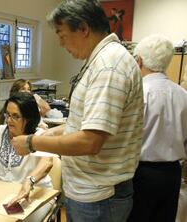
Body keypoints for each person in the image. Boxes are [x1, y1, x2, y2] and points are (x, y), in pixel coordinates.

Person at [11, 1, 143, 221]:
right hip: (91, 191)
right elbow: (87, 124)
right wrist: (55, 132)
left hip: (98, 196)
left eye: (62, 35)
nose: (61, 44)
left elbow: (90, 141)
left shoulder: (108, 66)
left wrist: (31, 142)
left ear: (83, 28)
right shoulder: (103, 60)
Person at [128, 34, 187, 222]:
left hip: (141, 173)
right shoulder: (182, 95)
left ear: (139, 61)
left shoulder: (138, 94)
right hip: (172, 174)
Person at [0, 92, 54, 205]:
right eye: (7, 115)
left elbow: (47, 163)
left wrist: (29, 181)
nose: (9, 121)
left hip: (35, 193)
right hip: (2, 193)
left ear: (29, 118)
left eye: (15, 116)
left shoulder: (39, 136)